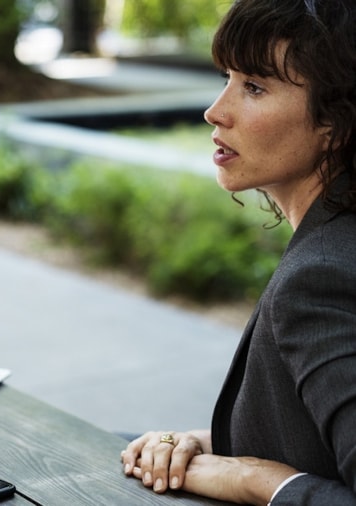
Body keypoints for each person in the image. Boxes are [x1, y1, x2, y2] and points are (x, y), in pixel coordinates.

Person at [120, 0, 356, 503]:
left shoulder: (321, 280)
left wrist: (252, 481)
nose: (216, 110)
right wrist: (195, 444)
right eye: (228, 76)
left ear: (335, 123)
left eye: (254, 87)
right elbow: (318, 444)